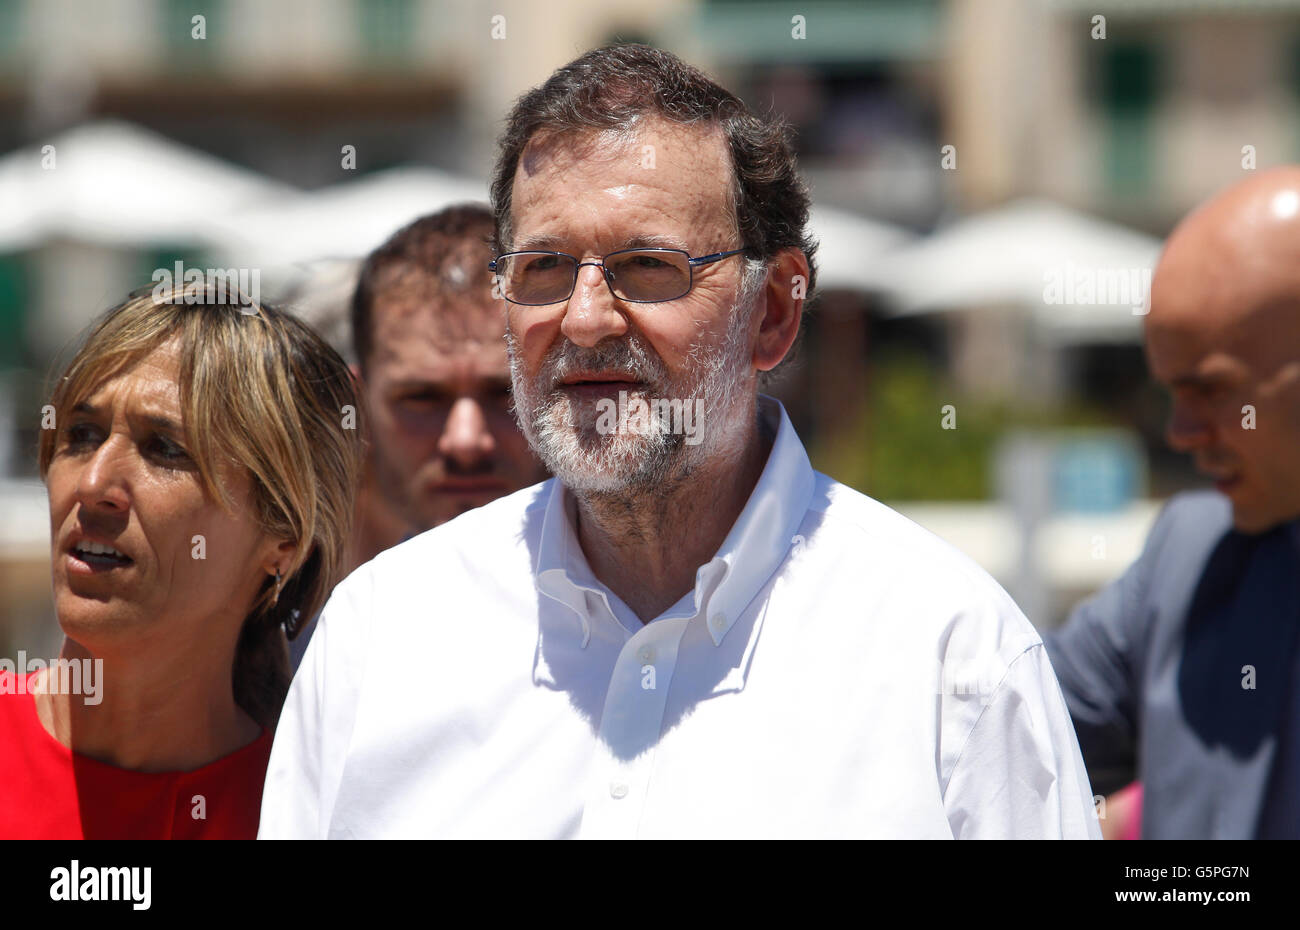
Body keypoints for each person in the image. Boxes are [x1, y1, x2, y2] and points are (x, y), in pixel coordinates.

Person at [261, 44, 1100, 839]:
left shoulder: (950, 654)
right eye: (543, 269)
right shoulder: (380, 639)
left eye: (648, 267)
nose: (584, 319)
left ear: (771, 312)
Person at [0, 279, 362, 839]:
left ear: (284, 536)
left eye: (164, 448)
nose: (93, 483)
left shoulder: (315, 811)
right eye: (81, 435)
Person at [1045, 167, 1300, 839]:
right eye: (1170, 393)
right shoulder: (1187, 556)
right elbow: (993, 726)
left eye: (1211, 390)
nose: (1180, 433)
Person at [285, 205, 549, 670]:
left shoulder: (656, 609)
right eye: (422, 399)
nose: (466, 440)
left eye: (503, 392)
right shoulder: (274, 647)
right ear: (356, 403)